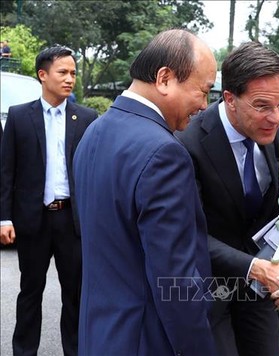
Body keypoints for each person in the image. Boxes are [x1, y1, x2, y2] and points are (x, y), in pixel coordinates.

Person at [72, 29, 217, 355]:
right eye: (203, 91)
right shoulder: (165, 153)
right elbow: (175, 282)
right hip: (145, 340)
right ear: (165, 78)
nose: (204, 105)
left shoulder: (94, 131)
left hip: (99, 335)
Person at [176, 41, 279, 356]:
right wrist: (255, 267)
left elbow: (270, 201)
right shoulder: (186, 145)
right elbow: (187, 233)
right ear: (229, 99)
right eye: (263, 105)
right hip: (207, 289)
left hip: (258, 289)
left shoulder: (272, 131)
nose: (276, 117)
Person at [0, 45, 98, 356]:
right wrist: (4, 218)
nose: (70, 79)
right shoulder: (18, 117)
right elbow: (6, 172)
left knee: (75, 295)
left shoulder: (86, 118)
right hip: (33, 220)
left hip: (72, 222)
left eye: (73, 73)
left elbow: (94, 173)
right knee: (30, 292)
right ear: (43, 75)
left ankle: (76, 351)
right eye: (63, 73)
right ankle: (23, 351)